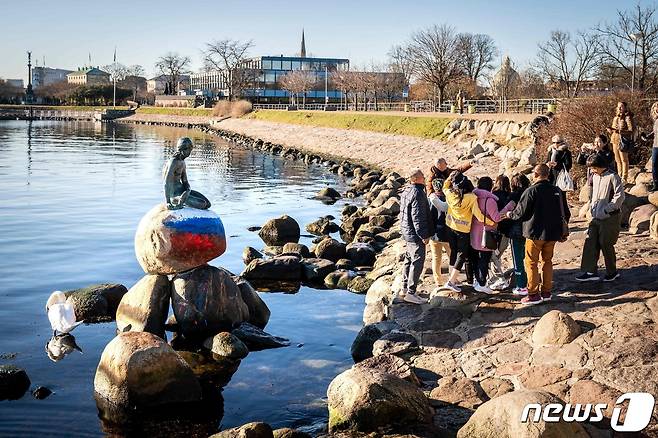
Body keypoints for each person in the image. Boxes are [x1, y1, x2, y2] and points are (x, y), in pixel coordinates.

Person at [506, 164, 571, 305]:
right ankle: (546, 292)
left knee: (531, 263)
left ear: (535, 174)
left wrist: (509, 214)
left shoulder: (531, 191)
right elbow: (566, 213)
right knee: (547, 262)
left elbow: (519, 213)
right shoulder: (557, 191)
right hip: (552, 234)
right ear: (548, 174)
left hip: (534, 234)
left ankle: (533, 294)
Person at [575, 154, 625, 282]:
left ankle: (612, 272)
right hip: (595, 216)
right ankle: (590, 271)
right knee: (590, 242)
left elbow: (619, 198)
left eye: (593, 168)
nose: (591, 170)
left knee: (606, 243)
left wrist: (606, 210)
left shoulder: (613, 177)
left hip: (610, 217)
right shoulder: (594, 177)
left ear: (600, 166)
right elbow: (593, 196)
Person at [468, 177, 516, 294]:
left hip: (474, 232)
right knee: (484, 259)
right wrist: (508, 207)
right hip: (486, 234)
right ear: (490, 186)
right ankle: (482, 284)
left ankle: (476, 281)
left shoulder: (473, 197)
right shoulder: (490, 200)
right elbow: (496, 218)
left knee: (476, 259)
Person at [441, 171, 485, 292]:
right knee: (462, 254)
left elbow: (445, 186)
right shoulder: (471, 197)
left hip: (450, 226)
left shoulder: (449, 193)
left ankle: (452, 278)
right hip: (463, 229)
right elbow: (478, 215)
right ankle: (451, 281)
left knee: (453, 252)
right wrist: (492, 221)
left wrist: (449, 178)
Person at [399, 169, 432, 304]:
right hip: (414, 234)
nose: (424, 178)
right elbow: (418, 217)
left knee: (408, 259)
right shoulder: (418, 193)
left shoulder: (407, 190)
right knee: (417, 261)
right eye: (422, 176)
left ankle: (404, 288)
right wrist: (424, 235)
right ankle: (411, 292)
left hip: (406, 231)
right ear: (416, 179)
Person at [163, 137, 211, 210]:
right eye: (189, 150)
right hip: (174, 195)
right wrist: (168, 202)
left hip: (183, 192)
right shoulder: (173, 162)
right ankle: (176, 201)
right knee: (203, 204)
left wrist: (187, 190)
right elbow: (167, 183)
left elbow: (185, 181)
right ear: (183, 150)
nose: (190, 153)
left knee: (207, 204)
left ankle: (183, 198)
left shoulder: (182, 162)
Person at [505, 173, 532, 296]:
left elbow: (509, 213)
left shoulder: (513, 196)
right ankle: (533, 283)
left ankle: (521, 285)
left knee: (518, 260)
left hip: (516, 231)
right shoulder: (531, 193)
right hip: (530, 231)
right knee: (531, 259)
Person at [488, 175, 513, 290]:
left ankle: (499, 279)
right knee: (497, 255)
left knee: (493, 256)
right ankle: (496, 278)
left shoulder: (493, 197)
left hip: (494, 230)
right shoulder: (510, 196)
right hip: (507, 231)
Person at [427, 178, 451, 292]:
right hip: (446, 232)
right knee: (452, 256)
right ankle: (452, 279)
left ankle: (438, 281)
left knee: (436, 258)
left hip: (433, 233)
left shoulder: (429, 199)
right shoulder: (448, 199)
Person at [608, 101, 634, 183]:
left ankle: (624, 178)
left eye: (621, 106)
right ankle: (619, 176)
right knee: (617, 160)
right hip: (614, 140)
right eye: (618, 106)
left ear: (625, 108)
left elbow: (631, 130)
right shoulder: (615, 118)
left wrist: (620, 131)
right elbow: (613, 129)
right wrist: (610, 130)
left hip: (623, 141)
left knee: (624, 160)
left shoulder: (628, 118)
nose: (619, 108)